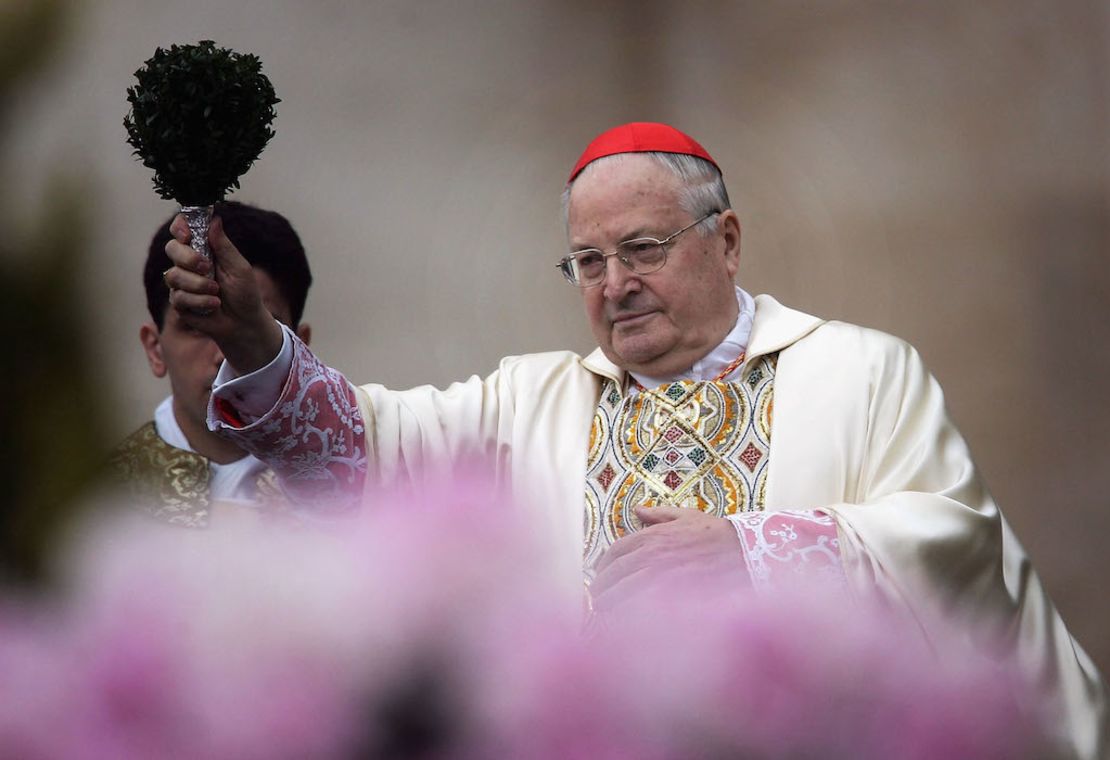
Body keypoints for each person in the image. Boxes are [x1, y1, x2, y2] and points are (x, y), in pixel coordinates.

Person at [163, 123, 1106, 756]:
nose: (613, 284)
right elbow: (366, 448)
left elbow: (957, 549)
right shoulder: (523, 401)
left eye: (644, 249)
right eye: (587, 261)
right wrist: (257, 342)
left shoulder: (862, 371)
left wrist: (751, 551)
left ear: (727, 241)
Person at [109, 201, 313, 527]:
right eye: (196, 326)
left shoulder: (360, 495)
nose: (224, 354)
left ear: (300, 350)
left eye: (255, 328)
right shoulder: (97, 505)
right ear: (155, 349)